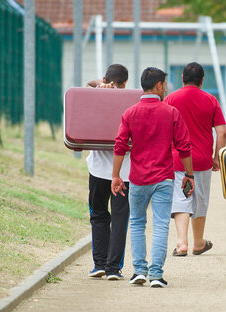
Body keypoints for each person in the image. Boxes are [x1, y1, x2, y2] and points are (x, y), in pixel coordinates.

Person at [111, 67, 195, 288]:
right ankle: (156, 274)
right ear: (158, 85)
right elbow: (184, 147)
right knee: (160, 226)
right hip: (164, 179)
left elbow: (120, 146)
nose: (166, 88)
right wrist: (189, 175)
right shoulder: (171, 112)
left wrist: (115, 176)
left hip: (138, 179)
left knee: (137, 223)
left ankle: (139, 271)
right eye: (165, 85)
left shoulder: (130, 113)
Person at [163, 62, 226, 257]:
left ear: (182, 78)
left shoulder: (170, 99)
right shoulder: (210, 100)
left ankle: (181, 242)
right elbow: (222, 132)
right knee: (199, 199)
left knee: (181, 198)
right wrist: (217, 157)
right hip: (202, 161)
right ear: (202, 80)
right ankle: (198, 242)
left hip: (177, 160)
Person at [85, 64, 131, 281]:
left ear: (106, 79)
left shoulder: (95, 96)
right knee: (120, 218)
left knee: (98, 216)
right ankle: (114, 268)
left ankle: (99, 264)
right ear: (126, 83)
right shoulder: (132, 101)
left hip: (97, 171)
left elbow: (88, 83)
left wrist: (100, 85)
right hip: (125, 173)